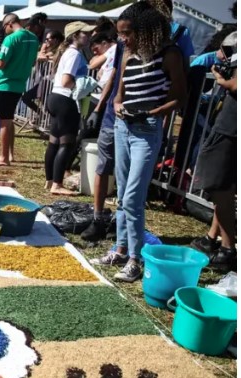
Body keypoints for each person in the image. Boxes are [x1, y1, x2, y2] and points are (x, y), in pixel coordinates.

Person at [96, 3, 186, 282]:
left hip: (146, 130)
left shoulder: (169, 55)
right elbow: (119, 93)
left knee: (133, 197)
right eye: (120, 34)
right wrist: (118, 106)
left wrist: (155, 112)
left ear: (145, 31)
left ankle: (135, 259)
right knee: (123, 194)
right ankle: (121, 249)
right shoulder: (128, 55)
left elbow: (179, 96)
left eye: (127, 34)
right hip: (123, 126)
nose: (123, 39)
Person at [189, 33, 237, 269]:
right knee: (224, 188)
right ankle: (211, 238)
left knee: (220, 189)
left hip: (230, 129)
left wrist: (219, 76)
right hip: (229, 128)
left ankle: (228, 249)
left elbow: (235, 85)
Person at [81, 25, 123, 242]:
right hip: (110, 116)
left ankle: (121, 222)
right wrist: (99, 109)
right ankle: (98, 218)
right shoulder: (120, 48)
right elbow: (112, 76)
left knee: (125, 173)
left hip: (137, 121)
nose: (122, 38)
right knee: (103, 166)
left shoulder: (163, 50)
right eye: (121, 33)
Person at [44, 21, 93, 195]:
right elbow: (66, 81)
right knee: (66, 143)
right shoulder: (74, 54)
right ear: (75, 35)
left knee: (54, 142)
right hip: (65, 99)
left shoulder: (67, 52)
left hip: (55, 97)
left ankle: (50, 181)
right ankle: (57, 184)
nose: (88, 36)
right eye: (85, 33)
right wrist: (83, 86)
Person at [0, 13, 40, 166]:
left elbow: (0, 64)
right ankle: (9, 154)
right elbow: (32, 62)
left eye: (4, 27)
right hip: (19, 84)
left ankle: (3, 157)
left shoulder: (11, 39)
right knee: (9, 120)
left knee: (4, 121)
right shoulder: (34, 38)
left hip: (5, 83)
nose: (4, 31)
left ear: (9, 24)